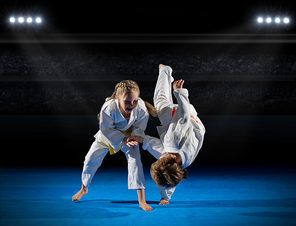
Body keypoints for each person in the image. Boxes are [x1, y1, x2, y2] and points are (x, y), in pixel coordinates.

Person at [72, 80, 157, 211]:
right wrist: (123, 139)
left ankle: (141, 200)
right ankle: (84, 188)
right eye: (127, 101)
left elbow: (139, 127)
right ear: (118, 98)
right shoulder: (108, 107)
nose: (131, 104)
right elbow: (106, 129)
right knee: (90, 160)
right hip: (107, 137)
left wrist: (133, 137)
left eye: (134, 101)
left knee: (136, 162)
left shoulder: (141, 108)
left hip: (130, 137)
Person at [131, 64, 206, 205]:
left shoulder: (179, 166)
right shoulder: (173, 141)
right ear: (168, 156)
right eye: (160, 159)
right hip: (181, 116)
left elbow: (170, 177)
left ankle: (165, 197)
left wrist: (142, 140)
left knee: (166, 175)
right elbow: (183, 118)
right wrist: (180, 93)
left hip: (195, 128)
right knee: (160, 103)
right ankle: (165, 70)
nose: (159, 157)